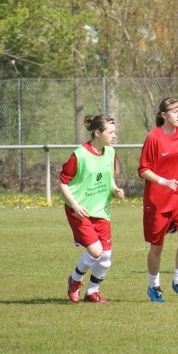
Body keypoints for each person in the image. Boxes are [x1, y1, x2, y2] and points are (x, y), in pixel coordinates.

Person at [59, 114, 125, 304]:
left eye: (114, 132)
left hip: (101, 211)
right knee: (96, 251)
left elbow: (109, 177)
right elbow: (63, 182)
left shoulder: (110, 152)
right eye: (110, 132)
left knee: (105, 258)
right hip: (80, 211)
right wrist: (75, 206)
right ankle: (75, 280)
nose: (114, 135)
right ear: (97, 133)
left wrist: (115, 189)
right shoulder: (79, 155)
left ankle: (92, 292)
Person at [138, 97, 178, 302]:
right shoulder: (153, 137)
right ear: (163, 115)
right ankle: (154, 286)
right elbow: (143, 170)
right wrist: (163, 181)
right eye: (174, 111)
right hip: (158, 199)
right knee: (157, 246)